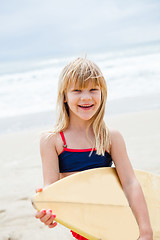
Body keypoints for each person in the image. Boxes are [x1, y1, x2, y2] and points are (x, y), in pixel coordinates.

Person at [35, 57, 153, 240]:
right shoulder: (53, 141)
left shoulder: (110, 137)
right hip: (85, 225)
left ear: (102, 94)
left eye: (93, 90)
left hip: (120, 214)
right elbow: (51, 189)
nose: (86, 97)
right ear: (64, 96)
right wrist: (48, 212)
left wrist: (146, 231)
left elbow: (130, 183)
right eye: (77, 90)